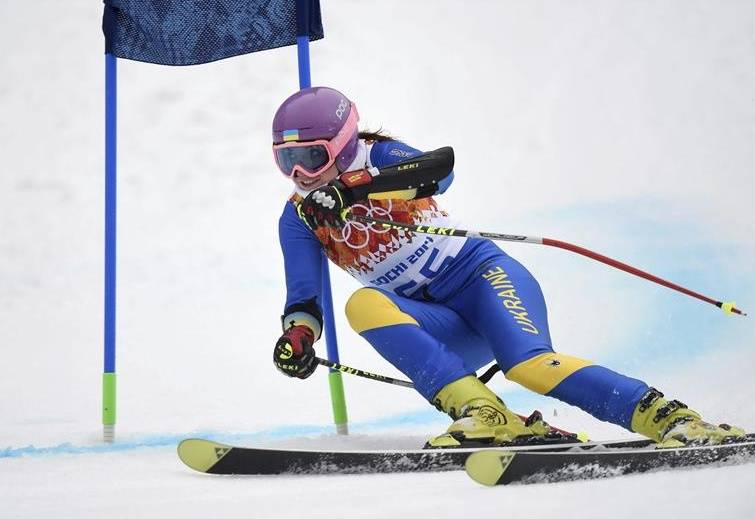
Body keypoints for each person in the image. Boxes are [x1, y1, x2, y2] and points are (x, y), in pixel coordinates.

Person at [271, 86, 744, 448]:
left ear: (343, 143)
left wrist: (354, 187)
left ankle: (670, 418)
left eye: (311, 157)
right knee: (362, 304)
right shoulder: (300, 217)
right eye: (286, 161)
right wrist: (299, 336)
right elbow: (304, 297)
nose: (300, 175)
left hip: (482, 280)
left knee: (530, 367)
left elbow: (441, 169)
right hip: (434, 323)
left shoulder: (378, 157)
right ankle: (486, 415)